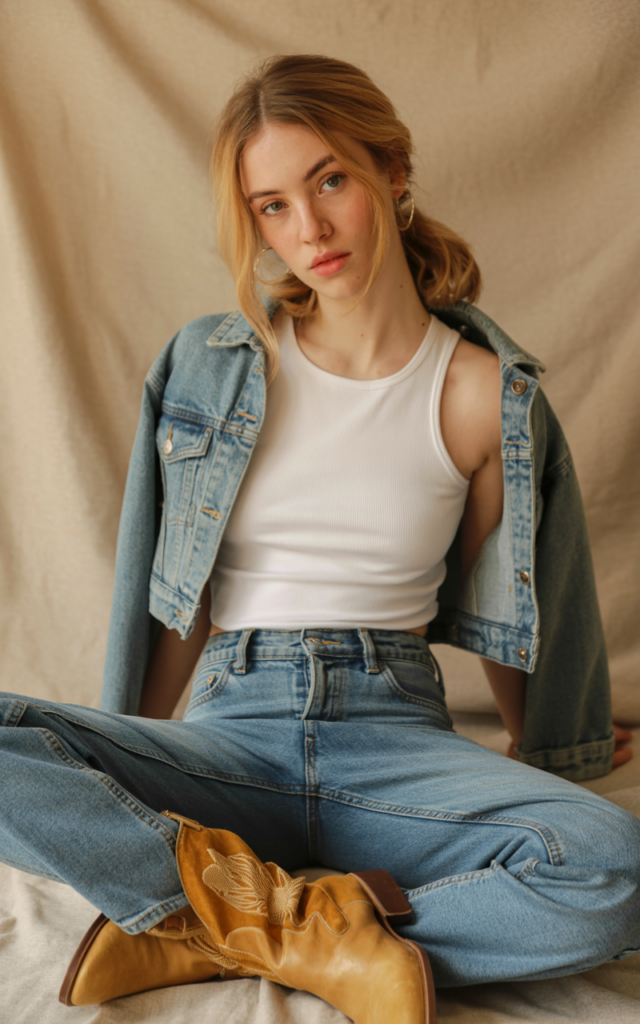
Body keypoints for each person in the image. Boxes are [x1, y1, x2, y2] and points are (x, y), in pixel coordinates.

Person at [1, 54, 638, 1024]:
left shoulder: (487, 395)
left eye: (330, 180)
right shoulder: (209, 364)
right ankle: (317, 936)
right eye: (273, 205)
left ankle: (219, 927)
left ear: (392, 170)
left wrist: (553, 745)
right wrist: (127, 758)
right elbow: (165, 600)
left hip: (394, 738)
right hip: (228, 732)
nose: (310, 228)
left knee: (611, 866)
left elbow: (512, 600)